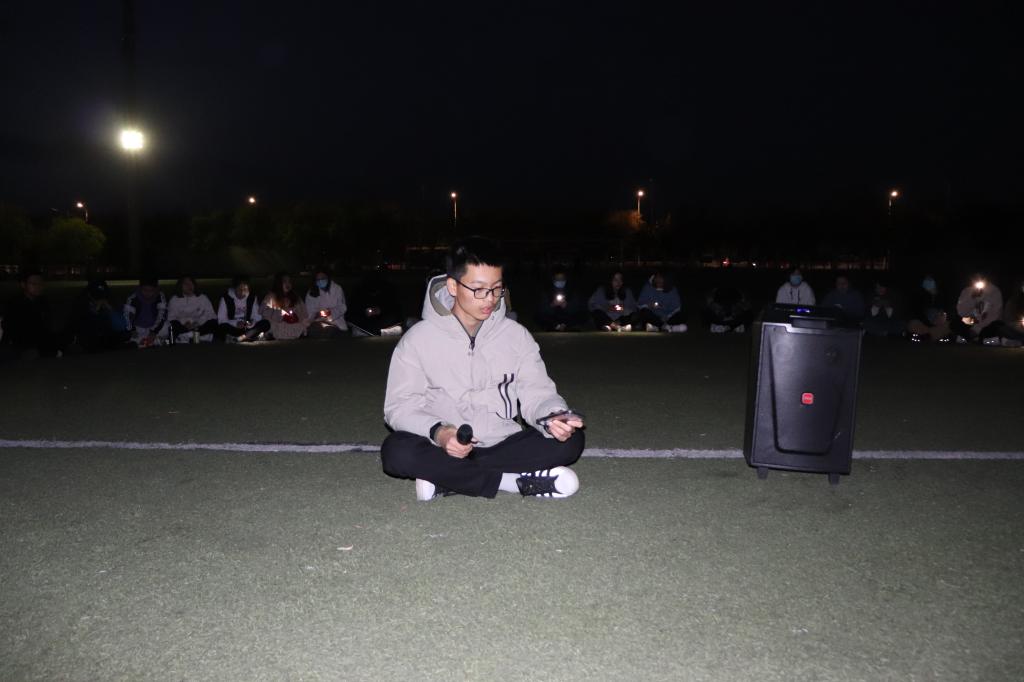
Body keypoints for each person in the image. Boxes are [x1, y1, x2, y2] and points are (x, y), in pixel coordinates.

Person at [381, 236, 585, 501]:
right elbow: (399, 406)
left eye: (496, 288)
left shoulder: (516, 336)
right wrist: (440, 433)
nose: (489, 299)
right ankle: (513, 483)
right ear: (453, 286)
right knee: (396, 451)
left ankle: (448, 481)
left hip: (503, 444)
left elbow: (537, 391)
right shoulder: (417, 339)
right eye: (478, 289)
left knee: (571, 441)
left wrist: (553, 416)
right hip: (442, 446)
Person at [0, 270, 67, 358]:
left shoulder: (42, 301)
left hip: (40, 340)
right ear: (23, 285)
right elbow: (11, 329)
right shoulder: (15, 304)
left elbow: (46, 325)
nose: (38, 287)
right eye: (34, 284)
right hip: (23, 343)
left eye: (40, 283)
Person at [70, 279, 132, 352]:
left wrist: (109, 308)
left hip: (106, 337)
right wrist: (94, 311)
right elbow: (78, 326)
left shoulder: (111, 301)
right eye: (97, 297)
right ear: (89, 294)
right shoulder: (81, 303)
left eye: (102, 296)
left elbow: (121, 326)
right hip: (89, 338)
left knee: (125, 335)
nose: (99, 300)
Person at [955, 277, 1017, 346]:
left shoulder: (994, 291)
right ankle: (977, 338)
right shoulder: (966, 291)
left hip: (987, 324)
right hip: (973, 322)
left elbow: (995, 315)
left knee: (997, 325)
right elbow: (961, 313)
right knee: (956, 323)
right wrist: (972, 298)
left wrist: (977, 329)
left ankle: (977, 338)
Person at [347, 272, 404, 336]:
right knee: (356, 321)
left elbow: (395, 307)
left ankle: (380, 332)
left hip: (385, 321)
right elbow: (352, 309)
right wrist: (365, 311)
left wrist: (380, 310)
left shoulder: (389, 289)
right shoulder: (359, 290)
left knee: (395, 323)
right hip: (365, 322)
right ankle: (372, 331)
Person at [217, 275, 270, 342]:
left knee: (265, 323)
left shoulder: (252, 297)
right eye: (239, 289)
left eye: (245, 290)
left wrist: (251, 323)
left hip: (248, 328)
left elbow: (257, 317)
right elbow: (221, 319)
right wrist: (236, 323)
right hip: (233, 327)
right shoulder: (226, 298)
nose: (242, 293)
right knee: (221, 327)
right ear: (234, 288)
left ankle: (241, 338)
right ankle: (251, 337)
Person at [260, 272, 311, 341]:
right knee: (269, 324)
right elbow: (263, 311)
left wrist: (294, 314)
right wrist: (280, 312)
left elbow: (303, 314)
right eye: (284, 281)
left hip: (293, 324)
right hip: (278, 324)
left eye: (289, 282)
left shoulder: (296, 297)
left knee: (302, 325)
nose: (287, 284)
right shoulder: (271, 296)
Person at [167, 276, 218, 343]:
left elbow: (211, 314)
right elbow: (171, 317)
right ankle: (196, 336)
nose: (189, 286)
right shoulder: (174, 299)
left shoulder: (202, 298)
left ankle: (188, 336)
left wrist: (197, 323)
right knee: (172, 325)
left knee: (213, 323)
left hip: (199, 326)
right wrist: (184, 324)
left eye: (191, 283)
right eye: (186, 284)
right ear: (180, 286)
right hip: (182, 326)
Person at [535, 266, 586, 332]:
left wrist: (566, 306)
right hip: (553, 317)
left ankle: (563, 326)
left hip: (567, 317)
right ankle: (557, 326)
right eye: (558, 279)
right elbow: (542, 309)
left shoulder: (572, 290)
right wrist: (552, 305)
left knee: (582, 314)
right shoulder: (547, 290)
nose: (560, 281)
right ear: (553, 279)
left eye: (562, 279)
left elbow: (576, 308)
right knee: (538, 316)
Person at [124, 276, 168, 348]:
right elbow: (128, 316)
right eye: (145, 290)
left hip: (153, 327)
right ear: (140, 288)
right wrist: (132, 330)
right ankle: (147, 342)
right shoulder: (133, 297)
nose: (148, 293)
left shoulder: (160, 296)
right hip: (138, 328)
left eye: (151, 290)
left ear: (156, 289)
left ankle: (147, 342)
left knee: (166, 326)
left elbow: (162, 315)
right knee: (130, 336)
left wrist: (153, 331)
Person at [906, 275, 953, 343]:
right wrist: (928, 322)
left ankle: (929, 335)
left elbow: (947, 311)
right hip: (924, 324)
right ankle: (930, 335)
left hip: (938, 324)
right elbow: (918, 313)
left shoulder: (942, 296)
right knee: (912, 324)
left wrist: (942, 316)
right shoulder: (920, 297)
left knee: (949, 325)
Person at [305, 266, 348, 337]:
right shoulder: (311, 292)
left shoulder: (337, 289)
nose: (320, 281)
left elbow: (342, 307)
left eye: (323, 278)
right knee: (314, 331)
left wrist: (330, 312)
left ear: (328, 278)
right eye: (318, 279)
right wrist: (317, 314)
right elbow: (310, 312)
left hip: (336, 323)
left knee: (329, 332)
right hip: (317, 323)